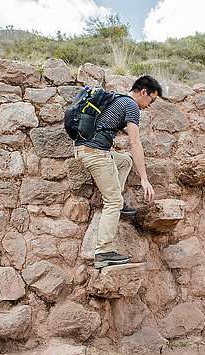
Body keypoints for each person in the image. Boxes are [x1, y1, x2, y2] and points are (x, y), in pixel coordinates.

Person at [74, 75, 162, 268]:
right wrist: (144, 179)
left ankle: (119, 203)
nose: (150, 105)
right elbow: (135, 143)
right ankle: (103, 252)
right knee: (112, 201)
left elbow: (101, 127)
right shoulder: (130, 105)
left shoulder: (117, 98)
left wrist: (115, 153)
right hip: (95, 153)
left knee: (123, 162)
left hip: (83, 149)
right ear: (144, 92)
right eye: (151, 100)